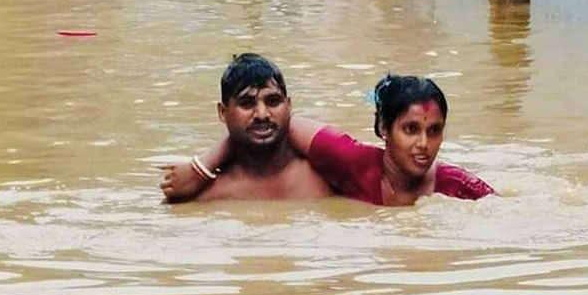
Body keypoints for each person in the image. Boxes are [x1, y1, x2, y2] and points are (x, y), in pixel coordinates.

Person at [287, 74, 496, 205]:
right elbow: (286, 124)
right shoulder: (350, 160)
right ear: (383, 128)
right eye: (411, 129)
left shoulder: (459, 186)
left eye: (434, 131)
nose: (424, 144)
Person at [159, 53, 333, 203]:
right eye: (246, 103)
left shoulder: (329, 178)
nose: (262, 114)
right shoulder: (203, 195)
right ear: (222, 112)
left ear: (289, 106)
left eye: (273, 101)